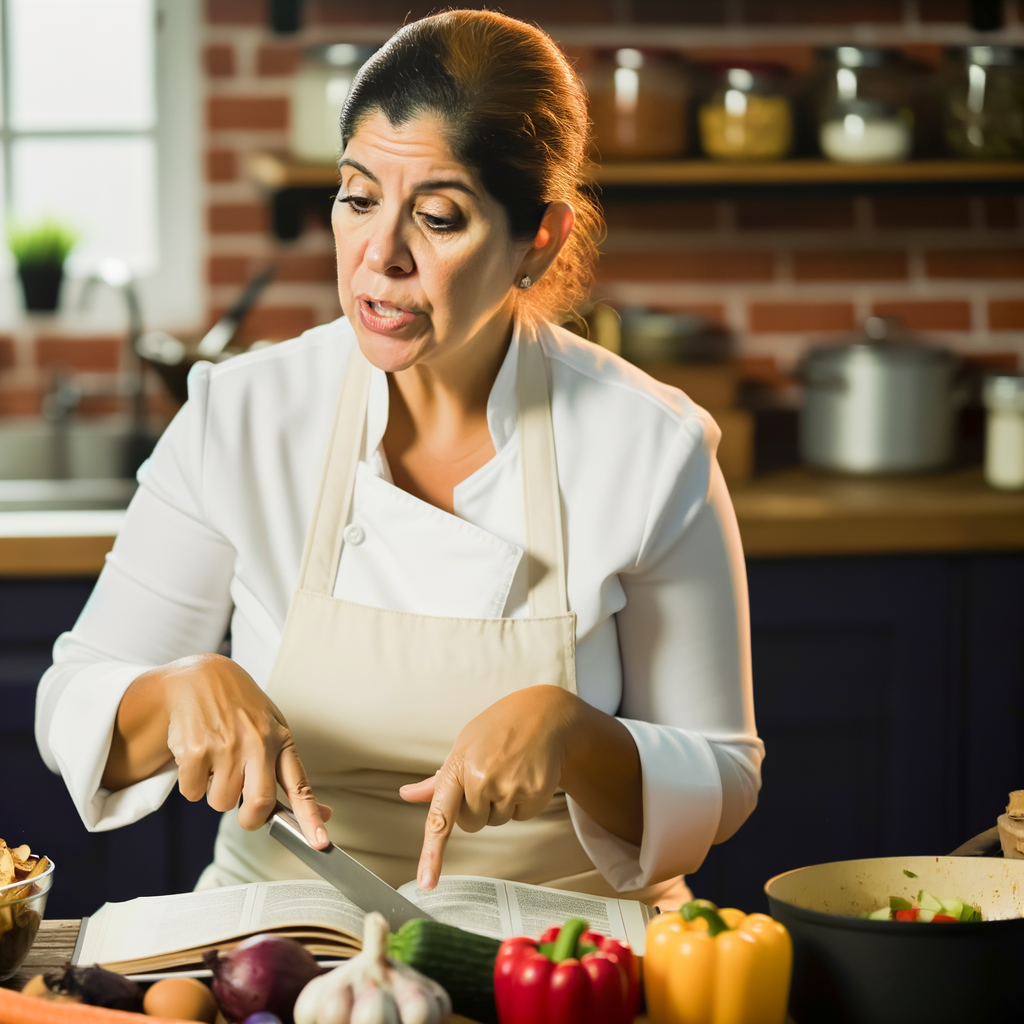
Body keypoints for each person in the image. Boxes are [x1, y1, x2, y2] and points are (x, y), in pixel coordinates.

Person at [35, 10, 762, 907]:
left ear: (540, 238)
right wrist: (176, 692)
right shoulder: (243, 413)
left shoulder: (649, 446)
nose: (380, 257)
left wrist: (579, 741)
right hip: (285, 930)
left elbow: (725, 772)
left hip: (565, 945)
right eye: (358, 197)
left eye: (440, 217)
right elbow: (70, 698)